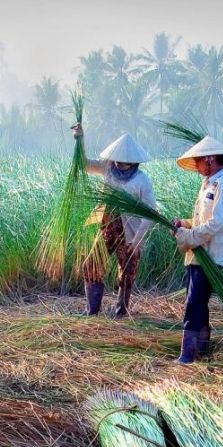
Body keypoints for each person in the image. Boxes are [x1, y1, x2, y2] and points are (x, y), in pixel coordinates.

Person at [73, 125, 156, 317]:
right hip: (108, 225)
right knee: (91, 264)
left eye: (124, 163)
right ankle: (91, 310)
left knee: (127, 271)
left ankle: (121, 311)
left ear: (134, 162)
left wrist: (137, 241)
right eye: (117, 161)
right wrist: (80, 139)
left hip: (130, 232)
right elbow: (84, 164)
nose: (119, 165)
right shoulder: (108, 168)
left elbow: (150, 213)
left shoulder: (142, 181)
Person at [173, 136, 223, 364]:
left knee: (194, 302)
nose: (198, 166)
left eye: (200, 161)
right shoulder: (208, 184)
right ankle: (201, 347)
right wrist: (185, 223)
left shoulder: (222, 185)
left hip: (211, 255)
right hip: (199, 255)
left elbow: (217, 221)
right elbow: (202, 219)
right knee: (198, 302)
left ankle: (187, 354)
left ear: (210, 159)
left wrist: (191, 237)